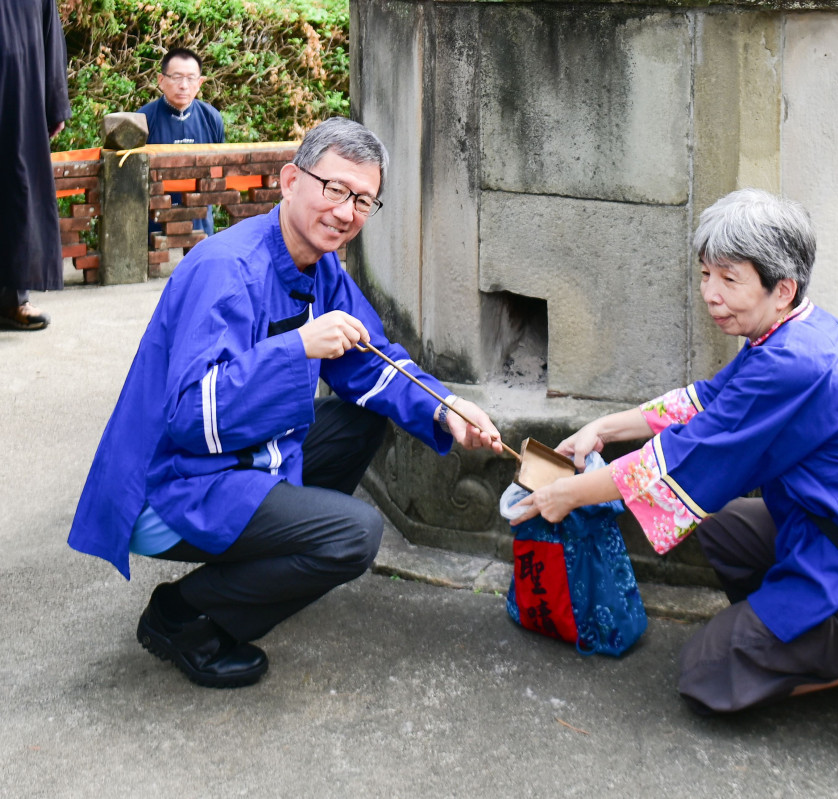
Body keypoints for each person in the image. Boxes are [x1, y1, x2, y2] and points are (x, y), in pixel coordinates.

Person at [68, 118, 505, 689]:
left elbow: (371, 359)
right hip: (175, 483)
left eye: (364, 200)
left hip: (243, 458)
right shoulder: (228, 270)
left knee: (360, 419)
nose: (347, 212)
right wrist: (296, 346)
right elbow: (187, 417)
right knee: (354, 535)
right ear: (290, 180)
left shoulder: (319, 265)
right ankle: (184, 616)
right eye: (336, 190)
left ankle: (283, 557)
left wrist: (447, 406)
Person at [511, 189, 838, 718]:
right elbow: (707, 401)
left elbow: (679, 460)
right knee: (722, 528)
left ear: (782, 288)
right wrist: (603, 429)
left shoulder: (791, 362)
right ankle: (803, 634)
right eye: (705, 275)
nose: (710, 294)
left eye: (729, 279)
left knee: (706, 675)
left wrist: (569, 495)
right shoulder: (793, 331)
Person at [0, 0, 71, 331]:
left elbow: (49, 33)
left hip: (19, 95)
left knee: (17, 190)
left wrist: (55, 101)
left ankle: (13, 297)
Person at [138, 47, 226, 236]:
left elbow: (219, 171)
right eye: (177, 77)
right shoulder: (143, 119)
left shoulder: (212, 118)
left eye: (191, 78)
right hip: (153, 227)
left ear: (200, 82)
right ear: (161, 81)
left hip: (200, 225)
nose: (184, 85)